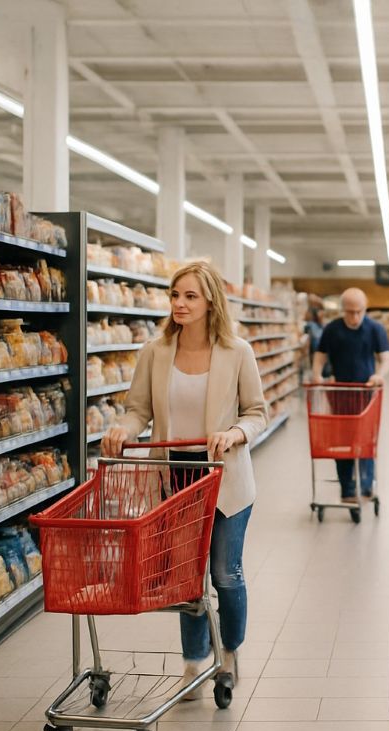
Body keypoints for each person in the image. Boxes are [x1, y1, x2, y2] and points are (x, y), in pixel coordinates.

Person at [102, 260, 268, 698]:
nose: (179, 303)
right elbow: (139, 409)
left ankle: (229, 653)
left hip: (224, 476)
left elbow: (257, 413)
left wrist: (234, 433)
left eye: (190, 296)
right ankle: (194, 662)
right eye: (175, 295)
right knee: (185, 575)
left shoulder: (238, 352)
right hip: (173, 475)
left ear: (210, 301)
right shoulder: (154, 352)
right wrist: (124, 428)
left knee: (224, 574)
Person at [311, 287, 389, 503]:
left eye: (359, 312)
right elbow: (320, 356)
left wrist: (379, 375)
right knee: (343, 441)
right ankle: (347, 489)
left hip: (366, 393)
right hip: (340, 394)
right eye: (350, 312)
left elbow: (385, 358)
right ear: (342, 310)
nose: (355, 317)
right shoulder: (332, 329)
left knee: (366, 439)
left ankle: (367, 486)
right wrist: (317, 374)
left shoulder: (375, 329)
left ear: (365, 309)